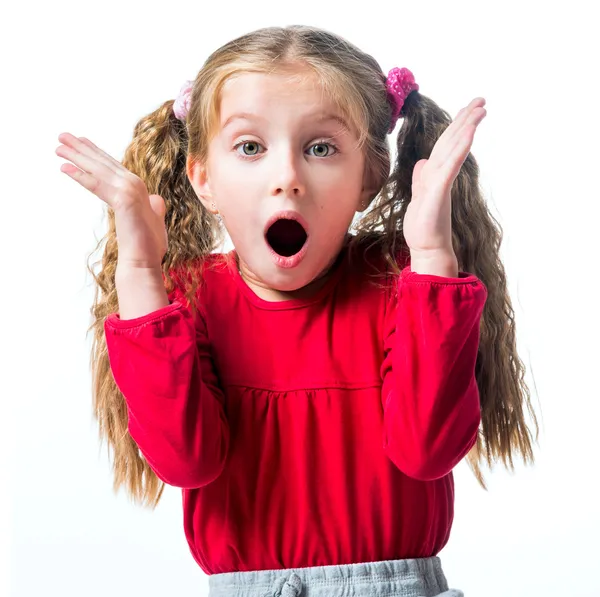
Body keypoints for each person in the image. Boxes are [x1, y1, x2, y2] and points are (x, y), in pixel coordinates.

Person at [56, 24, 539, 597]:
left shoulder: (399, 287)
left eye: (320, 148)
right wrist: (139, 269)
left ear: (370, 177)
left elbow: (428, 448)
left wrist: (433, 253)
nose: (287, 179)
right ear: (203, 178)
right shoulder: (189, 301)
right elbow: (184, 460)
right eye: (251, 147)